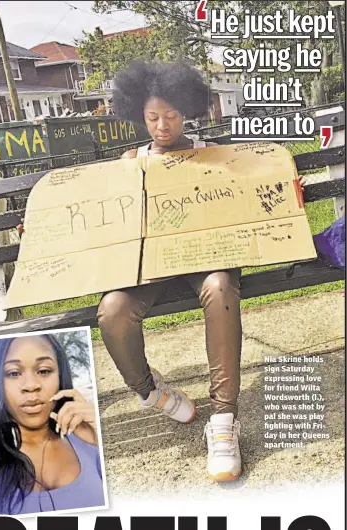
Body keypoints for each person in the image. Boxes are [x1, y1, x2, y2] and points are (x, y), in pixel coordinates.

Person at [97, 61, 243, 482]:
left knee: (219, 287)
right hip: (149, 268)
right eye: (152, 117)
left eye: (172, 115)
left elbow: (242, 199)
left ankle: (223, 421)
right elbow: (101, 214)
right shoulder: (130, 160)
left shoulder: (211, 154)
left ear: (187, 111)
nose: (163, 126)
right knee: (112, 310)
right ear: (138, 116)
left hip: (205, 259)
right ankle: (149, 390)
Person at [0, 334, 105, 516]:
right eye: (14, 373)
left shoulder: (91, 443)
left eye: (43, 371)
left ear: (60, 377)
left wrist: (103, 438)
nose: (31, 385)